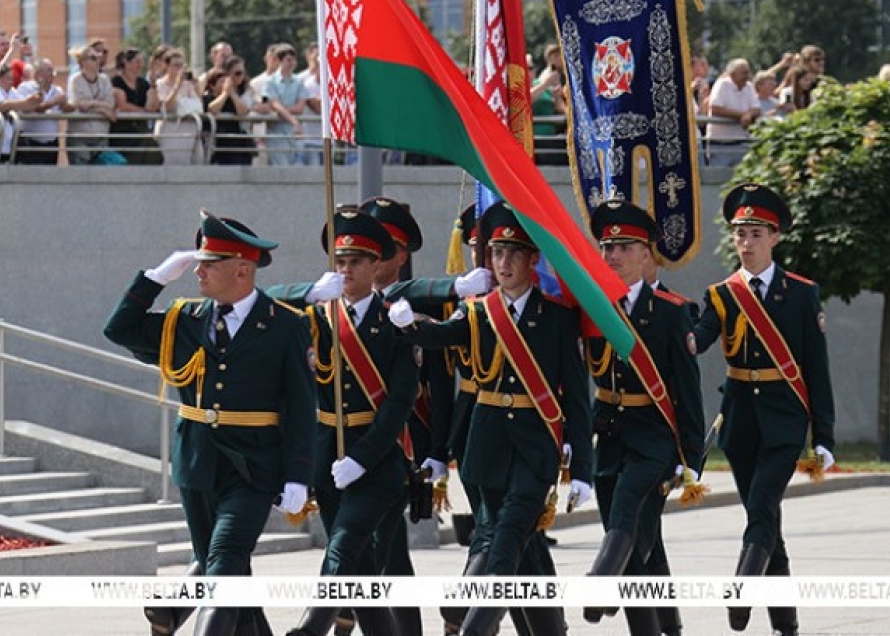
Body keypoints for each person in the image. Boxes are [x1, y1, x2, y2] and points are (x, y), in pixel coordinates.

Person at [104, 213, 315, 636]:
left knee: (224, 561)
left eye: (208, 263)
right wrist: (154, 279)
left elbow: (301, 406)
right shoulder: (186, 319)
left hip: (253, 467)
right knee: (231, 576)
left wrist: (298, 476)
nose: (197, 271)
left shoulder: (285, 326)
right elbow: (119, 329)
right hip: (197, 465)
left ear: (242, 270)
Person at [389, 201, 593, 636]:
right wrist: (410, 324)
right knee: (521, 544)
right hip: (485, 444)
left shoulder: (557, 319)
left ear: (533, 260)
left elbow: (576, 395)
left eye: (513, 253)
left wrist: (582, 469)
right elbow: (444, 336)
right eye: (496, 254)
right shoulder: (479, 311)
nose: (503, 263)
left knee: (505, 536)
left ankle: (474, 626)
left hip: (536, 447)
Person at [692, 183, 835, 635]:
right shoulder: (722, 294)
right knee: (766, 517)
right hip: (740, 421)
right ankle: (786, 623)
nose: (746, 242)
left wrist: (824, 436)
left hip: (785, 417)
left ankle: (743, 587)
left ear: (775, 237)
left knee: (761, 503)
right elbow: (696, 341)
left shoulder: (801, 293)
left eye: (756, 233)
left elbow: (816, 368)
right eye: (740, 233)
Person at [280, 209, 414, 636]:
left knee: (346, 540)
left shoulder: (393, 321)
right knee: (362, 569)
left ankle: (310, 626)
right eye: (340, 262)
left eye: (357, 261)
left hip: (377, 462)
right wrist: (308, 295)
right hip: (326, 458)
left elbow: (399, 401)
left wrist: (363, 456)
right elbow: (261, 302)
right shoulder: (315, 319)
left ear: (377, 265)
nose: (347, 269)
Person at [582, 199, 704, 633]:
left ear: (646, 253)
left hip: (653, 438)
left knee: (627, 514)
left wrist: (691, 459)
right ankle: (665, 624)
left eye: (624, 247)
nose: (613, 255)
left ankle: (599, 585)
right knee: (641, 545)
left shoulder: (671, 312)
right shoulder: (594, 307)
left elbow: (687, 390)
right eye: (606, 247)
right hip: (608, 435)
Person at [66, 45, 119, 165]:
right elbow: (79, 104)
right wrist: (102, 107)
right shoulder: (75, 80)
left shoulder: (104, 79)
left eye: (98, 57)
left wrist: (91, 105)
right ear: (83, 62)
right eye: (93, 58)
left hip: (100, 135)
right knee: (81, 173)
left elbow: (110, 103)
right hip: (79, 137)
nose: (97, 61)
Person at [110, 47, 163, 165]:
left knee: (154, 154)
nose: (140, 65)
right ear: (126, 62)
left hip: (140, 130)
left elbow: (151, 107)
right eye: (137, 61)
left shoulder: (143, 83)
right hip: (122, 132)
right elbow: (122, 105)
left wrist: (153, 84)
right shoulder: (116, 81)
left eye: (141, 62)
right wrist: (142, 111)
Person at [705, 59, 761, 168]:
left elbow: (757, 108)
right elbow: (715, 108)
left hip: (741, 144)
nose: (747, 76)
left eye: (748, 72)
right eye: (744, 73)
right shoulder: (722, 85)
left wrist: (748, 114)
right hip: (720, 145)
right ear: (732, 74)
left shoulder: (749, 86)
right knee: (718, 180)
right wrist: (741, 116)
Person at [154, 49, 206, 166]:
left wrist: (197, 87)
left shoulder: (188, 84)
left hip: (189, 127)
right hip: (170, 128)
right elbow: (167, 106)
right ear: (166, 66)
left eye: (181, 65)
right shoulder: (160, 84)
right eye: (176, 65)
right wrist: (177, 86)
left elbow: (199, 105)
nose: (179, 68)